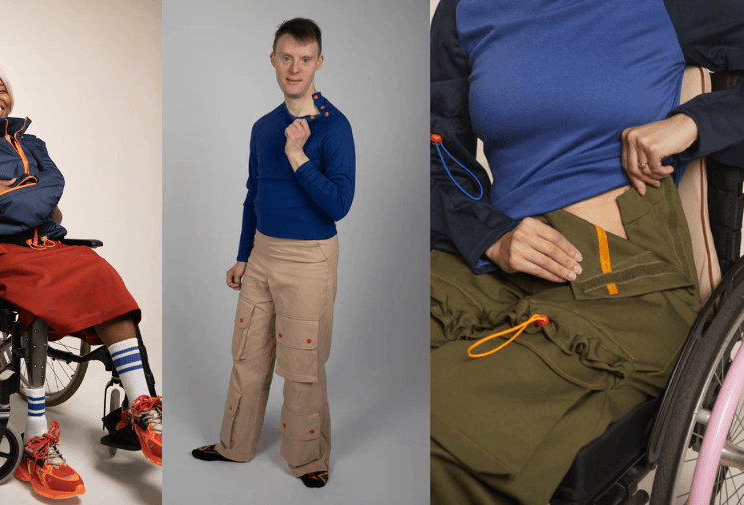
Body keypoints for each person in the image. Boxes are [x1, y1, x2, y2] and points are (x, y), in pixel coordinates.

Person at [429, 0, 744, 503]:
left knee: (441, 432)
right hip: (496, 259)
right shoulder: (464, 11)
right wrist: (492, 235)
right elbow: (435, 152)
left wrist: (696, 123)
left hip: (622, 276)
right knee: (378, 378)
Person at [0, 62, 162, 500]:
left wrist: (32, 200)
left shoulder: (31, 146)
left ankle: (142, 407)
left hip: (42, 244)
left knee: (99, 272)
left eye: (1, 88)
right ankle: (37, 441)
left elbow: (53, 210)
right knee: (41, 292)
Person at [190, 18, 355, 489]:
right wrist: (244, 255)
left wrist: (298, 156)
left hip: (309, 258)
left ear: (319, 62)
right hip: (262, 254)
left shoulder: (334, 127)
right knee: (247, 355)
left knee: (302, 366)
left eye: (305, 59)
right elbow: (253, 194)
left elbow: (339, 205)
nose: (295, 68)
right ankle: (234, 446)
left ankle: (308, 459)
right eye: (286, 58)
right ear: (273, 60)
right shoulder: (263, 127)